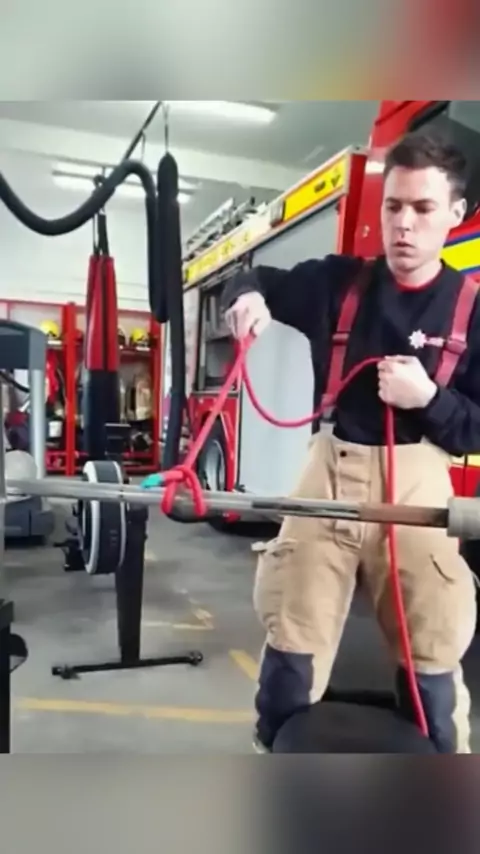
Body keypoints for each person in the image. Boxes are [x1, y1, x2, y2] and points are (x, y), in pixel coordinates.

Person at [221, 130, 480, 754]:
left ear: (456, 213)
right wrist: (246, 297)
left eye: (423, 208)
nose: (404, 224)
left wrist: (430, 400)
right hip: (328, 475)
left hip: (419, 487)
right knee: (291, 648)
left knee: (432, 656)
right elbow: (251, 277)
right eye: (394, 206)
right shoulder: (337, 283)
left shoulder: (472, 312)